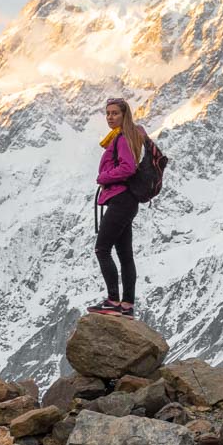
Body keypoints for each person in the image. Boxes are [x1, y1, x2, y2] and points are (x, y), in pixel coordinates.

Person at [87, 97, 145, 319]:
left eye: (115, 113)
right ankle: (127, 305)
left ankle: (112, 301)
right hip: (126, 201)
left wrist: (104, 177)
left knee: (102, 249)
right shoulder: (124, 136)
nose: (110, 117)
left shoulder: (122, 138)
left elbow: (128, 168)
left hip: (120, 199)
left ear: (124, 115)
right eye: (108, 113)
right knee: (124, 254)